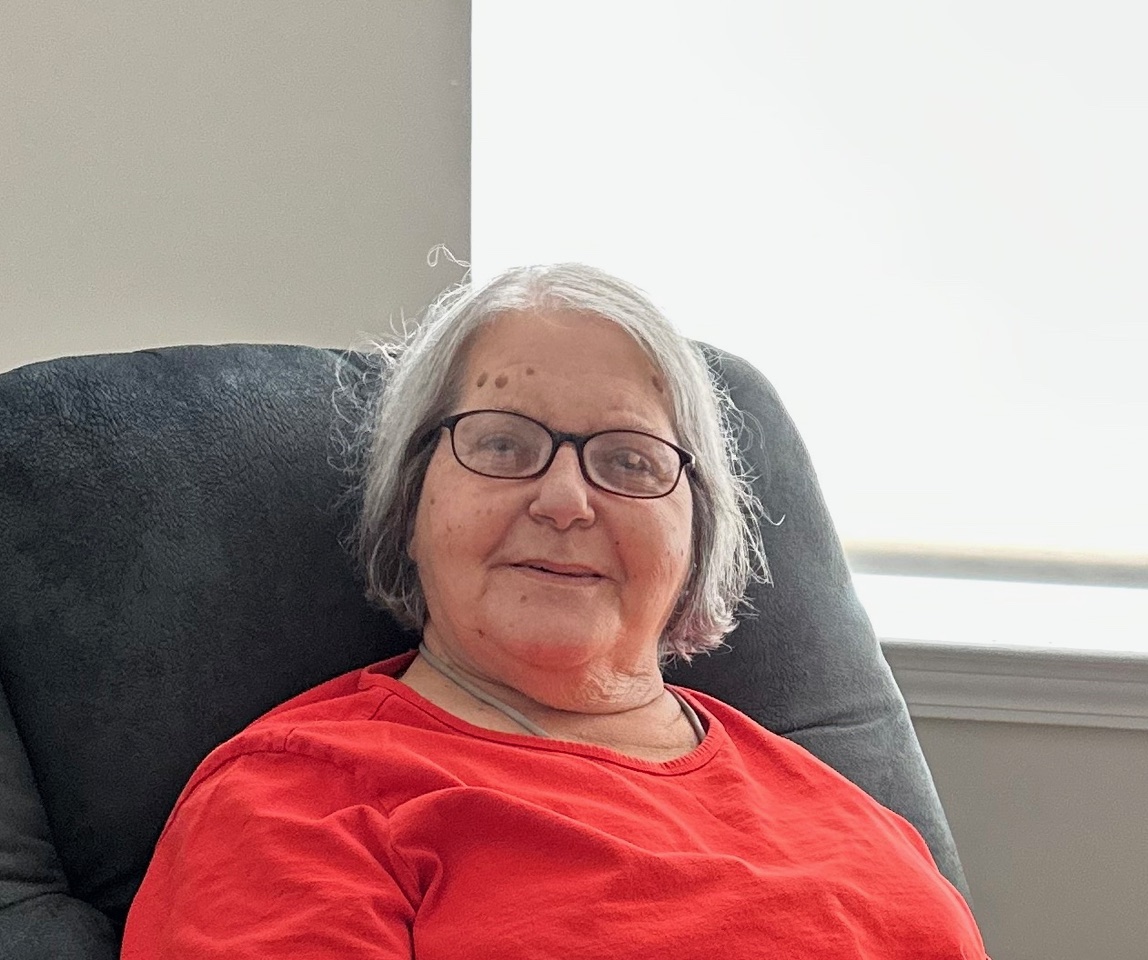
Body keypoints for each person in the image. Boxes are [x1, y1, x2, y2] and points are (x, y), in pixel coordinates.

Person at [121, 264, 987, 958]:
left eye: (630, 461)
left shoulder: (857, 821)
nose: (567, 500)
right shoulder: (298, 803)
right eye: (503, 444)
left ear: (696, 537)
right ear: (411, 505)